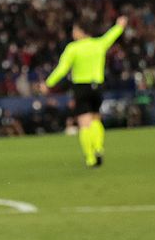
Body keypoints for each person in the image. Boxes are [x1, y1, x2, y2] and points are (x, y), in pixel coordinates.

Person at [44, 15, 127, 167]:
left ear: (82, 31)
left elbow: (62, 69)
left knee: (84, 123)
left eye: (75, 30)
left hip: (81, 87)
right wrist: (119, 25)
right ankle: (99, 147)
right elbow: (112, 35)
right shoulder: (99, 44)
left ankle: (90, 158)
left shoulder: (73, 48)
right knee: (96, 119)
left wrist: (48, 83)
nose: (73, 33)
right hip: (98, 87)